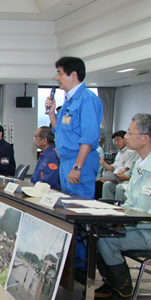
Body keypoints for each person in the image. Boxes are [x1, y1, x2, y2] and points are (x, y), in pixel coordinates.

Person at [94, 113, 151, 300]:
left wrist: (128, 221)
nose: (126, 137)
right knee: (93, 233)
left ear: (145, 138)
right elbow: (130, 199)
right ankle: (111, 284)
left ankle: (123, 294)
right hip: (139, 225)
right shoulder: (140, 164)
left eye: (130, 133)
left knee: (106, 240)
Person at [45, 56, 103, 199]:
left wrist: (77, 167)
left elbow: (88, 138)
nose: (57, 78)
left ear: (74, 75)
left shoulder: (87, 99)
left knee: (79, 206)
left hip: (80, 160)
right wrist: (52, 114)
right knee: (68, 204)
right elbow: (60, 131)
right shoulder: (69, 100)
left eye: (60, 73)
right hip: (66, 161)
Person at [98, 130, 139, 201]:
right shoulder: (119, 153)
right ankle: (107, 207)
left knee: (119, 187)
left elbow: (127, 169)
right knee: (107, 185)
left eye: (118, 140)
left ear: (125, 139)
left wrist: (116, 176)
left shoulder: (131, 152)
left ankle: (118, 208)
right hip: (118, 178)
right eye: (115, 141)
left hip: (126, 179)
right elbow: (113, 168)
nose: (116, 143)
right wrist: (103, 163)